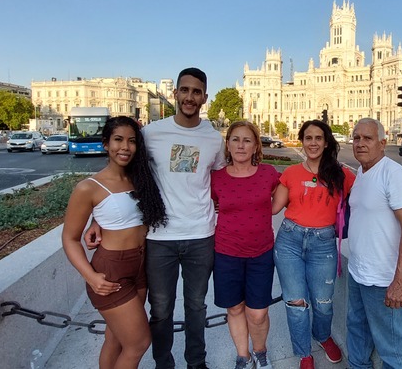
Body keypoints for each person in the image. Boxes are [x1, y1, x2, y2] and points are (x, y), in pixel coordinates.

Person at [86, 67, 226, 369]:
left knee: (196, 307)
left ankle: (196, 362)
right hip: (159, 238)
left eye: (196, 91)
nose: (190, 97)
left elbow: (220, 180)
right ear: (175, 93)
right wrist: (99, 218)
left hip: (201, 235)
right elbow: (125, 176)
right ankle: (164, 363)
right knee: (160, 308)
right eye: (185, 90)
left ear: (204, 97)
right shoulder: (150, 134)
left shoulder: (214, 139)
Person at [62, 116, 168, 369]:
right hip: (112, 270)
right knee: (138, 343)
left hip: (141, 266)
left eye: (132, 141)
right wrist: (90, 276)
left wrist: (98, 222)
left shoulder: (140, 179)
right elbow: (69, 238)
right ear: (106, 144)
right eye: (118, 140)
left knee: (115, 339)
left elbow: (126, 213)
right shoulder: (89, 187)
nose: (125, 147)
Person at [271, 120, 355, 369]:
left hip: (323, 244)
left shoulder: (342, 175)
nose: (313, 143)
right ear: (302, 141)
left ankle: (322, 335)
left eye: (319, 138)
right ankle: (303, 352)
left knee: (323, 301)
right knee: (296, 302)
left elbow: (366, 197)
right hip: (289, 242)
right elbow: (274, 207)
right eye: (308, 138)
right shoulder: (291, 173)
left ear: (326, 142)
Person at [346, 118, 402, 369]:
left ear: (383, 143)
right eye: (356, 138)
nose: (360, 143)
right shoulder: (361, 173)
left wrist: (400, 281)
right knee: (357, 332)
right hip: (358, 273)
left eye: (368, 138)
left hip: (383, 279)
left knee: (392, 348)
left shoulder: (393, 174)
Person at [211, 121, 280, 369]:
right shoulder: (216, 178)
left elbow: (290, 187)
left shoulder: (269, 174)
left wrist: (273, 208)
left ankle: (260, 351)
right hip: (226, 253)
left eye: (247, 140)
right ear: (227, 145)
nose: (241, 145)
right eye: (236, 139)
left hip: (261, 253)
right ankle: (243, 355)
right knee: (235, 308)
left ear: (255, 146)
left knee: (258, 313)